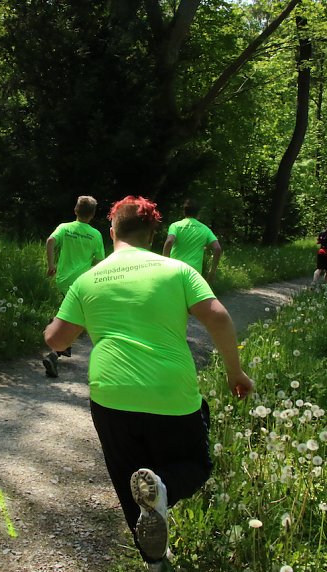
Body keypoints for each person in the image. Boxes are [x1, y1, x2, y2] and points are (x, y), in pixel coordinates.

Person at [43, 196, 253, 571]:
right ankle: (164, 491)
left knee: (131, 483)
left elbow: (58, 341)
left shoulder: (88, 279)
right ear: (153, 235)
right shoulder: (177, 272)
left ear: (111, 232)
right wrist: (234, 372)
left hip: (111, 397)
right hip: (171, 394)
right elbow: (218, 317)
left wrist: (52, 329)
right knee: (194, 465)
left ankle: (154, 561)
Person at [42, 195, 105, 378]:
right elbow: (99, 261)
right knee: (76, 319)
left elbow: (50, 241)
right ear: (92, 214)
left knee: (72, 315)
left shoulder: (65, 227)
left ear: (75, 210)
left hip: (63, 280)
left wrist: (51, 266)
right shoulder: (95, 235)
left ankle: (61, 342)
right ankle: (55, 351)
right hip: (82, 282)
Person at [162, 199, 222, 282]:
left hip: (175, 270)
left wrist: (165, 265)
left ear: (184, 211)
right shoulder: (205, 229)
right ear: (198, 213)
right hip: (194, 273)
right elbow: (217, 248)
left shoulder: (175, 226)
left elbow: (169, 241)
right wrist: (212, 272)